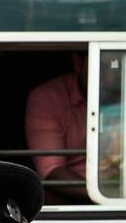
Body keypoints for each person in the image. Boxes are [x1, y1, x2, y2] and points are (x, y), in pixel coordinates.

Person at [25, 55, 90, 204]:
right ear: (78, 63)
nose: (114, 71)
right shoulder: (48, 98)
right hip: (71, 205)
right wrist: (106, 196)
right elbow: (52, 171)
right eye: (105, 64)